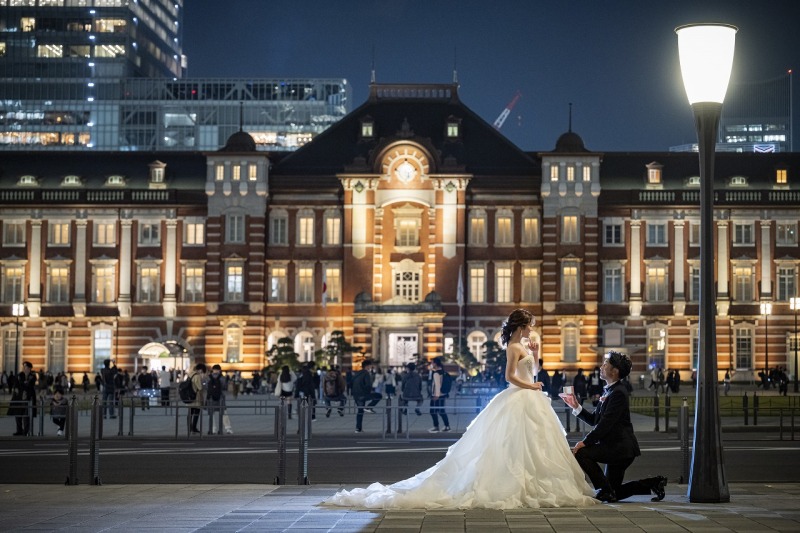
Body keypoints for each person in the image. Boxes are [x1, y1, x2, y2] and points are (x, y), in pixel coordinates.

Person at [327, 309, 597, 509]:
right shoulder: (513, 347)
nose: (530, 331)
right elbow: (509, 377)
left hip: (529, 396)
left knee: (531, 444)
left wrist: (536, 355)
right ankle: (516, 482)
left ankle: (531, 481)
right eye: (529, 327)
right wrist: (531, 387)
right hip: (522, 395)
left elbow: (533, 371)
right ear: (520, 326)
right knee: (513, 444)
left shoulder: (524, 346)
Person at [561, 351, 667, 503]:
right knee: (615, 492)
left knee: (582, 453)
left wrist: (585, 442)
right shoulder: (611, 390)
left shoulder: (618, 393)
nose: (601, 366)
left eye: (605, 364)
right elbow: (594, 420)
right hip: (617, 447)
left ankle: (604, 491)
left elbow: (605, 424)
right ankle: (654, 483)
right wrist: (576, 406)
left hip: (620, 448)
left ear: (614, 371)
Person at [352, 359, 382, 433]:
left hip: (356, 395)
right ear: (367, 366)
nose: (371, 367)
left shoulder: (357, 373)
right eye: (370, 366)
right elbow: (368, 385)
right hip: (363, 394)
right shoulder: (366, 373)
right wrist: (369, 392)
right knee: (379, 396)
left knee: (360, 411)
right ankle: (369, 407)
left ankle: (358, 428)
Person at [10, 361, 37, 436]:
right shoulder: (20, 375)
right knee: (18, 415)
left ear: (29, 368)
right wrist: (23, 384)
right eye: (23, 367)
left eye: (25, 367)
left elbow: (30, 385)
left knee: (27, 415)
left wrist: (23, 384)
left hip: (28, 398)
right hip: (19, 398)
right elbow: (16, 384)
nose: (24, 368)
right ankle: (19, 430)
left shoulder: (33, 376)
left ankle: (26, 431)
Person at [427, 357, 451, 433]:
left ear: (435, 364)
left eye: (432, 363)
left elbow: (437, 385)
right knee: (441, 410)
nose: (431, 364)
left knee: (433, 411)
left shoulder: (436, 373)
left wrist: (436, 396)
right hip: (443, 394)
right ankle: (446, 426)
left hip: (437, 395)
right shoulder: (443, 372)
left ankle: (437, 426)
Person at [188, 363, 206, 434]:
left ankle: (190, 427)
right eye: (202, 371)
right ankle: (194, 428)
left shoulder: (190, 374)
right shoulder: (197, 376)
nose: (202, 373)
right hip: (196, 397)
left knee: (190, 413)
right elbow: (200, 388)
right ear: (200, 370)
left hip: (189, 397)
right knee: (196, 412)